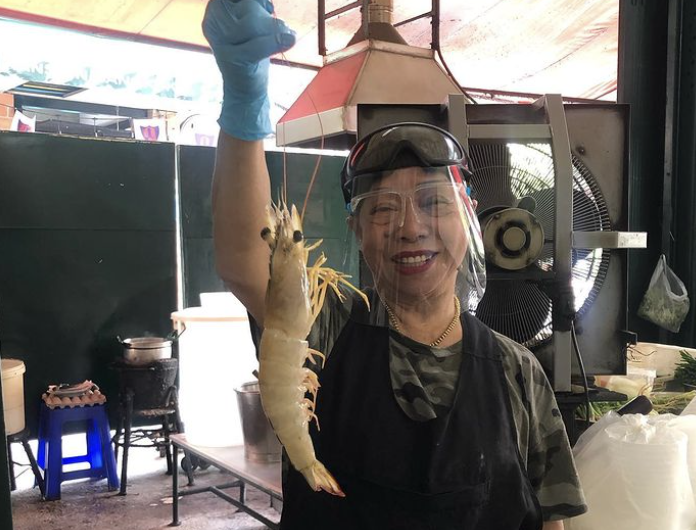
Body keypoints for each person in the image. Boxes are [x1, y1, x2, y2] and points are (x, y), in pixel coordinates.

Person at [203, 0, 588, 528]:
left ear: (469, 218)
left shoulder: (518, 370)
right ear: (357, 231)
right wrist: (244, 96)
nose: (411, 227)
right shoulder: (326, 328)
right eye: (383, 208)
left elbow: (550, 520)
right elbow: (245, 256)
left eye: (433, 203)